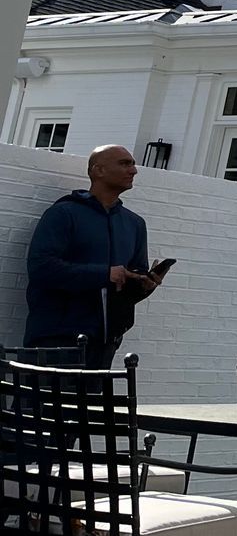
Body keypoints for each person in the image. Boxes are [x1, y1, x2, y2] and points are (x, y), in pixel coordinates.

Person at [25, 143, 170, 369]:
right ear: (97, 170)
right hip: (57, 337)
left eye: (133, 164)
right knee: (46, 404)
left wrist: (145, 284)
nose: (133, 170)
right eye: (124, 163)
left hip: (105, 342)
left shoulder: (134, 224)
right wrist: (106, 274)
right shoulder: (63, 213)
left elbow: (128, 285)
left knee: (90, 405)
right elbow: (41, 268)